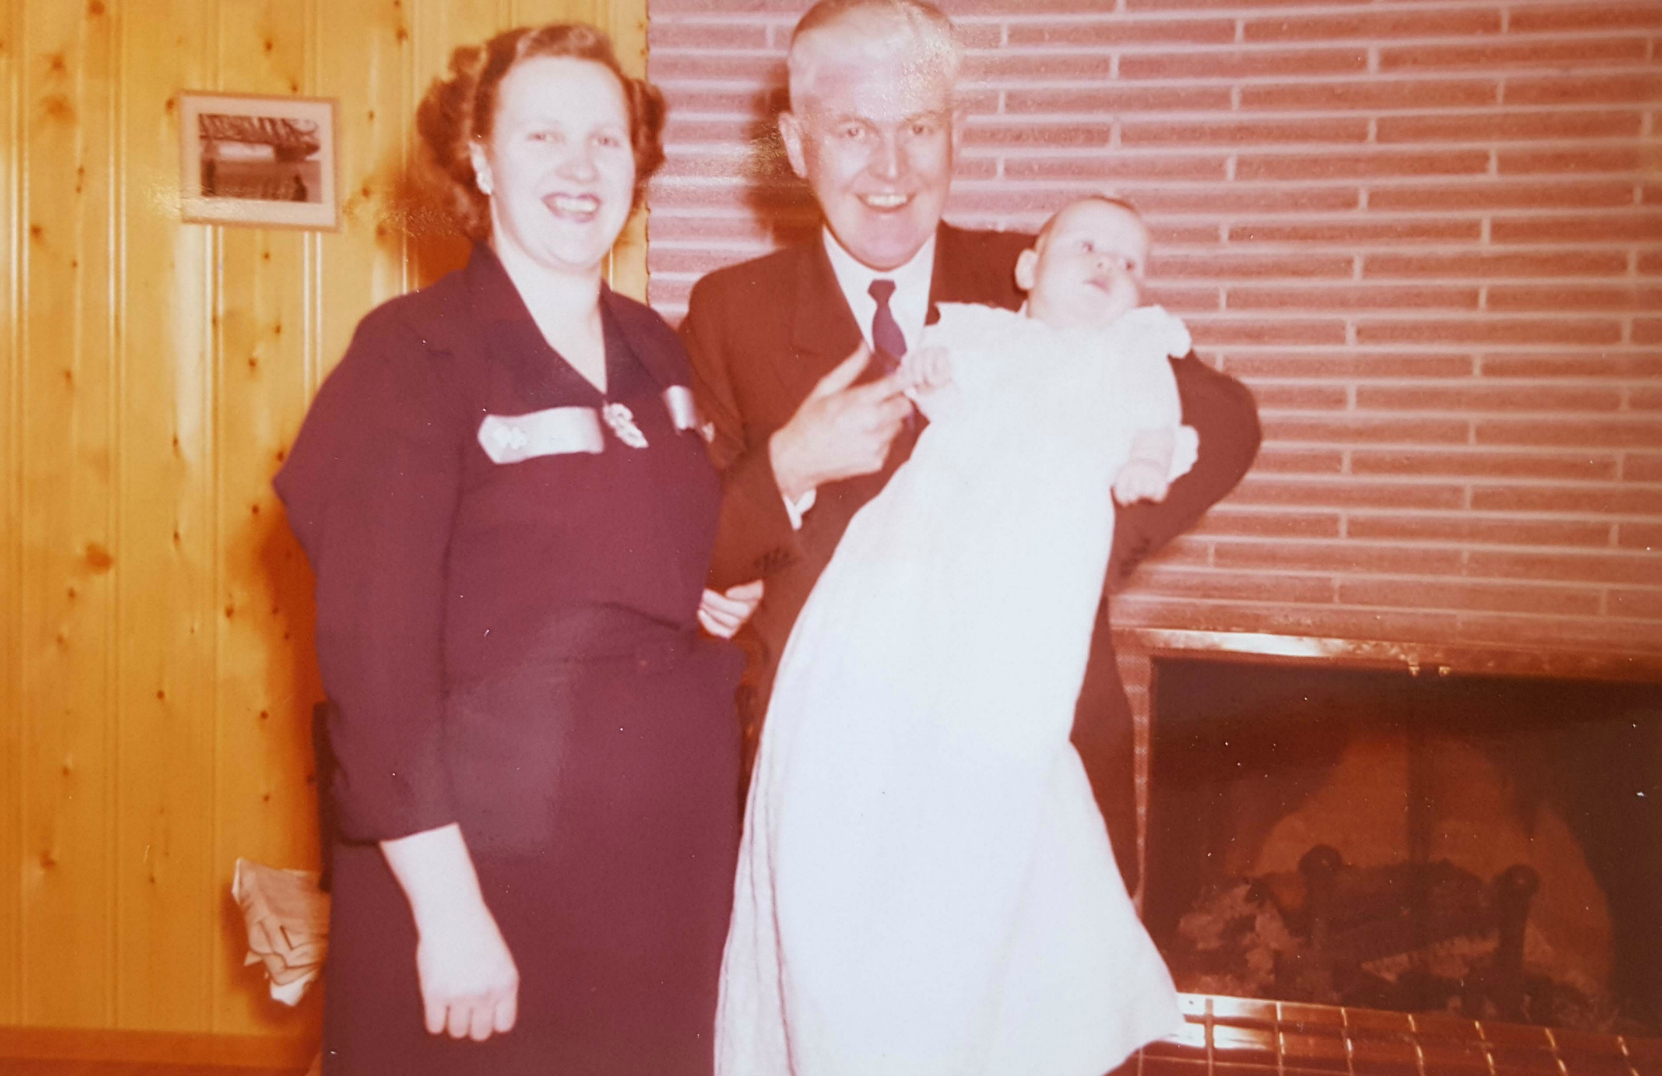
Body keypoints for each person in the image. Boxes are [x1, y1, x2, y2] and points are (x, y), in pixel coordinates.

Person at [682, 0, 1260, 900]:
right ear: (798, 147)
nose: (890, 168)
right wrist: (787, 467)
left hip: (1025, 766)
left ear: (957, 131)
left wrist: (1081, 533)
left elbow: (1220, 414)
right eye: (852, 130)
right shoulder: (731, 310)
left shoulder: (1033, 273)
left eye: (918, 127)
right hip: (833, 780)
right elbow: (688, 540)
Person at [274, 24, 759, 1075]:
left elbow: (629, 545)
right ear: (481, 160)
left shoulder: (654, 345)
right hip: (483, 869)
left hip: (660, 867)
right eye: (542, 136)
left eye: (607, 139)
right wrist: (448, 916)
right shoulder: (409, 358)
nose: (580, 168)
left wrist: (700, 591)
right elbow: (375, 663)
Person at [719, 194, 1193, 1075]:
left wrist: (1138, 468)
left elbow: (1177, 425)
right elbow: (929, 394)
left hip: (1032, 577)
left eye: (1130, 262)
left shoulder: (1132, 351)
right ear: (1029, 265)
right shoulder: (976, 331)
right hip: (917, 553)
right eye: (1086, 247)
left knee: (994, 802)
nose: (1107, 268)